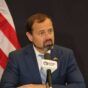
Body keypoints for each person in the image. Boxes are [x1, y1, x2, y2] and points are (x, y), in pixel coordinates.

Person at [0, 13, 85, 88]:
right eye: (42, 33)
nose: (48, 37)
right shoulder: (17, 57)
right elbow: (6, 86)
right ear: (30, 36)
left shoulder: (66, 55)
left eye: (50, 31)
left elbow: (79, 85)